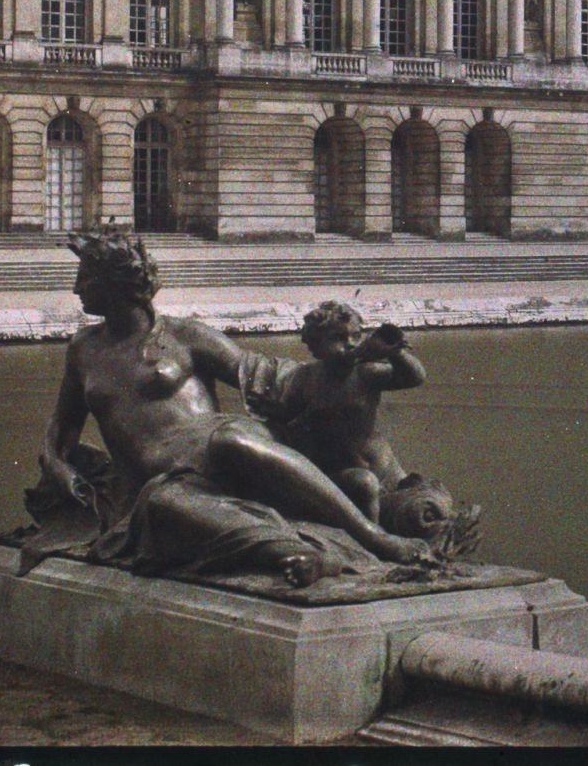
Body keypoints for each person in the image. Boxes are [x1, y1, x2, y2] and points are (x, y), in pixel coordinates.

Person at [31, 232, 434, 588]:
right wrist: (56, 463)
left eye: (86, 277)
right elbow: (64, 423)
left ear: (117, 283)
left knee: (231, 439)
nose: (76, 288)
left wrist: (352, 359)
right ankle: (299, 553)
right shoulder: (83, 348)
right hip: (164, 478)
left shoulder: (185, 335)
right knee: (162, 505)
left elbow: (271, 377)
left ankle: (372, 537)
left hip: (220, 450)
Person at [258, 301, 425, 524]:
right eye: (338, 338)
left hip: (387, 474)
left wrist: (397, 353)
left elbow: (414, 377)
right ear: (315, 345)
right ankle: (373, 539)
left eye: (355, 336)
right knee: (364, 483)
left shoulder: (365, 373)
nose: (350, 343)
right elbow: (288, 415)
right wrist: (270, 409)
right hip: (346, 478)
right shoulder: (306, 378)